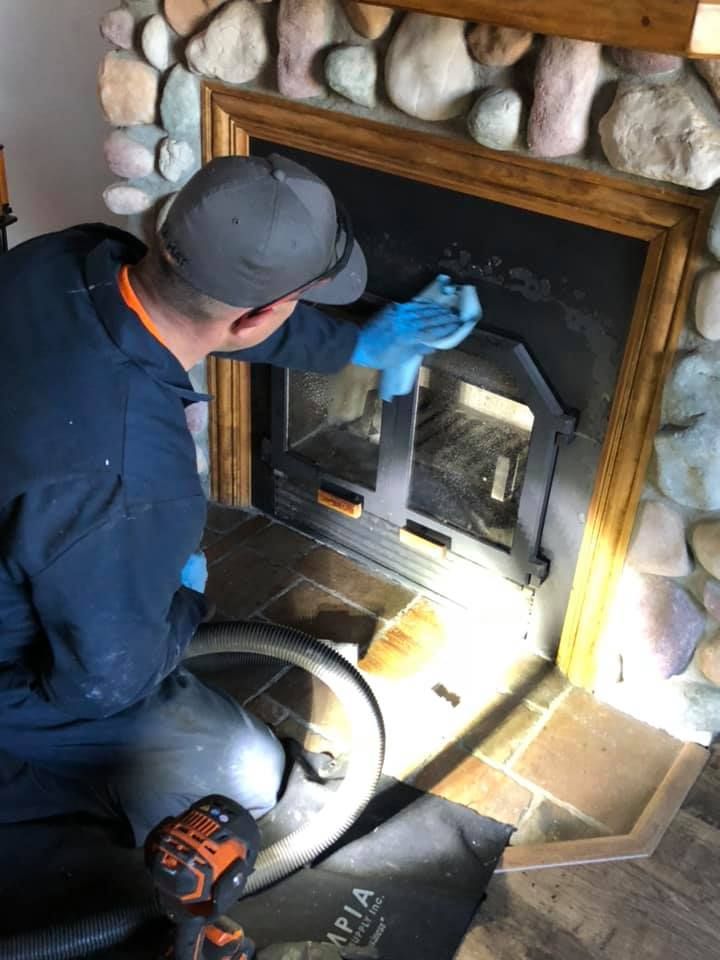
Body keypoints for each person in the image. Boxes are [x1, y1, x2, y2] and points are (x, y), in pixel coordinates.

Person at [0, 154, 476, 844]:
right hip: (15, 672)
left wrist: (356, 345)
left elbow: (207, 314)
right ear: (264, 314)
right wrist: (180, 608)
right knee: (245, 771)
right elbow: (100, 685)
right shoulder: (132, 481)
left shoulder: (72, 255)